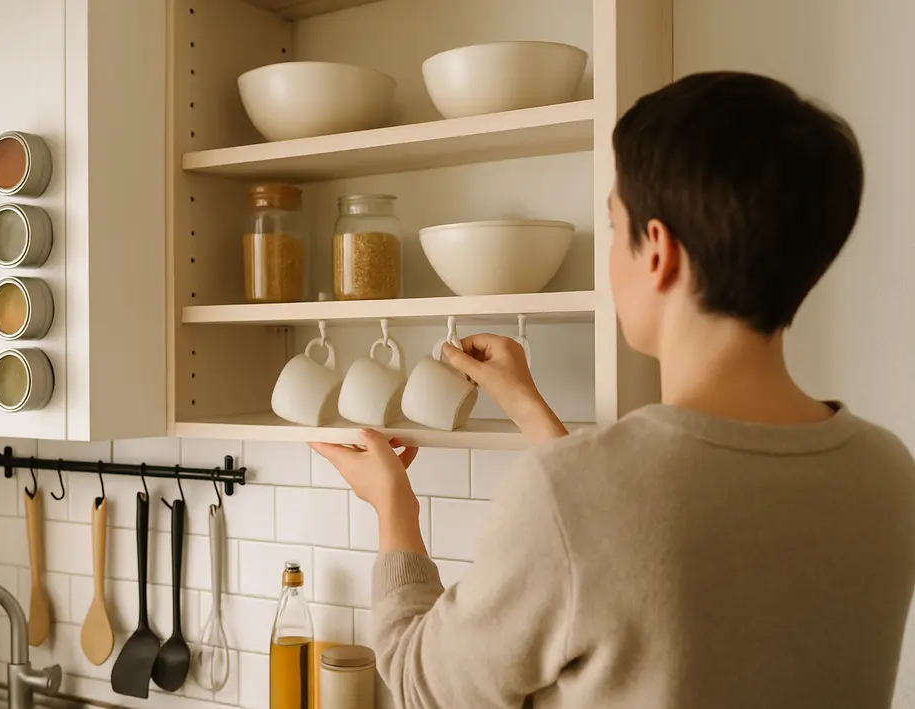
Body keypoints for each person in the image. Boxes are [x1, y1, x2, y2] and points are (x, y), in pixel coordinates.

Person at [311, 71, 915, 709]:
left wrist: (392, 504)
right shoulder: (885, 473)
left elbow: (417, 682)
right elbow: (627, 543)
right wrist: (527, 406)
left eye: (612, 222)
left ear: (658, 252)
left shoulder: (572, 497)